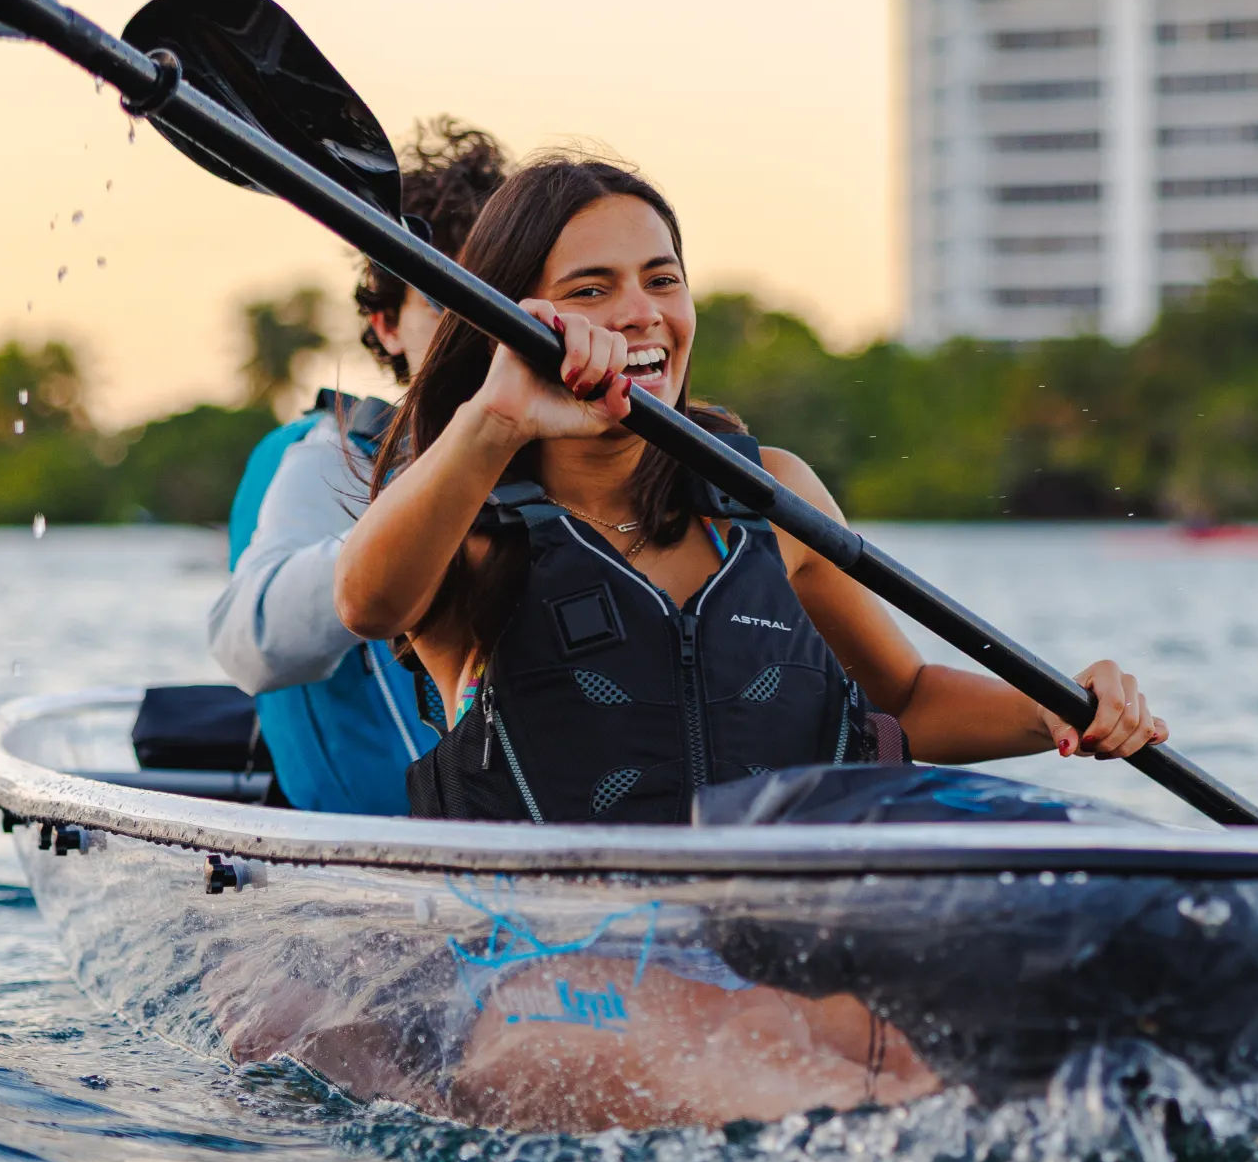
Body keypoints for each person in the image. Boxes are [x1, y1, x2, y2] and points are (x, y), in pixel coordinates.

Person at [335, 156, 1166, 820]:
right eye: (591, 291)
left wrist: (1054, 710)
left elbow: (905, 699)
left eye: (662, 280)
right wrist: (499, 418)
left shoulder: (768, 493)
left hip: (783, 949)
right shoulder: (468, 521)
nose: (640, 313)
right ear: (518, 325)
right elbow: (365, 607)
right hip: (566, 968)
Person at [207, 120, 511, 814]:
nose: (479, 330)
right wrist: (416, 529)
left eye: (500, 297)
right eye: (446, 299)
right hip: (388, 864)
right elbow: (247, 643)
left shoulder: (580, 457)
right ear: (386, 325)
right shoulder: (337, 458)